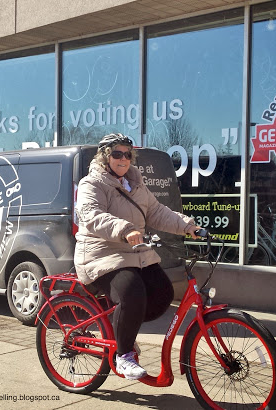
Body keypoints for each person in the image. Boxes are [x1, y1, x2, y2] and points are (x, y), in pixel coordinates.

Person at [74, 133, 201, 380]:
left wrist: (188, 226)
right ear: (105, 156)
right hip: (100, 255)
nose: (123, 159)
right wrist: (125, 229)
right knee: (132, 291)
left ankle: (122, 329)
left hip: (134, 252)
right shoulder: (92, 184)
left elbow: (157, 211)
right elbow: (92, 215)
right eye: (117, 154)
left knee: (162, 293)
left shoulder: (136, 184)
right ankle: (123, 356)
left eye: (127, 154)